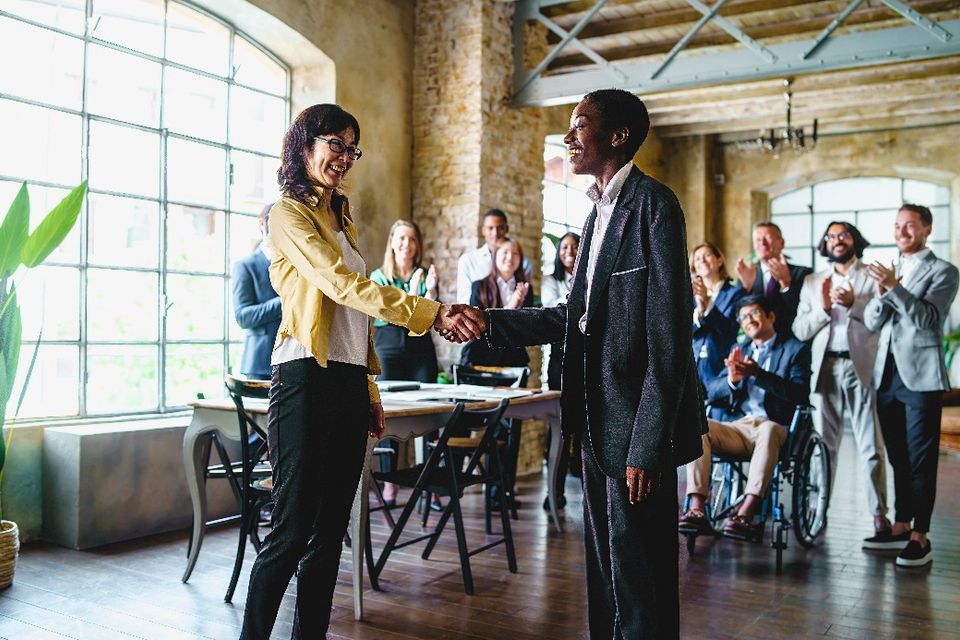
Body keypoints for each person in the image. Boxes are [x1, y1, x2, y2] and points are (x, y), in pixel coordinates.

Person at [239, 103, 483, 640]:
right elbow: (341, 285)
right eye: (336, 144)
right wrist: (430, 312)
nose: (344, 157)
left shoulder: (341, 215)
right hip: (303, 378)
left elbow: (354, 320)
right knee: (291, 530)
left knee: (330, 536)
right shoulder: (288, 215)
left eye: (352, 149)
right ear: (305, 143)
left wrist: (367, 385)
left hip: (347, 383)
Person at [481, 89, 705, 639]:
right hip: (596, 423)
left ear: (619, 136)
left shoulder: (655, 206)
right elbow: (571, 316)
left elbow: (669, 339)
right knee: (605, 573)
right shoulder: (595, 211)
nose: (569, 136)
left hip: (635, 431)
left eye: (580, 125)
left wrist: (647, 445)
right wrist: (488, 321)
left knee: (640, 575)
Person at [864, 203, 959, 567]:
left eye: (910, 225)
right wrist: (883, 290)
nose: (901, 232)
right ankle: (900, 525)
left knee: (921, 459)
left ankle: (921, 533)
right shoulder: (893, 268)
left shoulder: (945, 271)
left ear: (926, 229)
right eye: (897, 225)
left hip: (922, 378)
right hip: (886, 376)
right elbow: (874, 321)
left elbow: (927, 320)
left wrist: (893, 288)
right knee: (898, 456)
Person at [680, 295, 811, 539]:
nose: (747, 320)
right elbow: (711, 389)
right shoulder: (739, 350)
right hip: (740, 426)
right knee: (700, 426)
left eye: (753, 314)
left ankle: (745, 513)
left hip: (777, 427)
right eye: (742, 318)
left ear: (770, 316)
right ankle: (697, 509)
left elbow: (799, 393)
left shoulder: (796, 350)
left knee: (769, 429)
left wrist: (758, 374)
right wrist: (732, 379)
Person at [793, 222, 889, 543]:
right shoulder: (811, 282)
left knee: (870, 446)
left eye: (843, 235)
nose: (837, 240)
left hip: (860, 366)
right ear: (825, 243)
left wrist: (853, 305)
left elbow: (880, 318)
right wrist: (822, 309)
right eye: (831, 236)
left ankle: (879, 516)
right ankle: (820, 513)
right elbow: (799, 330)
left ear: (854, 240)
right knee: (824, 446)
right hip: (825, 369)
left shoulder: (872, 276)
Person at [369, 219, 441, 508]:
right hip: (389, 347)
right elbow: (387, 314)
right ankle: (389, 484)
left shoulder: (425, 276)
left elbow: (431, 315)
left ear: (417, 245)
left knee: (432, 413)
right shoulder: (378, 275)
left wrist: (431, 292)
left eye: (412, 239)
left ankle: (431, 482)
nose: (406, 244)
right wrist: (414, 298)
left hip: (421, 348)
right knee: (389, 414)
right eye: (401, 238)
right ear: (392, 242)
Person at [541, 232, 581, 508]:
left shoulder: (590, 276)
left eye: (574, 246)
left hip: (586, 356)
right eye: (564, 247)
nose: (569, 250)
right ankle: (554, 491)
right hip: (559, 357)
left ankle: (582, 475)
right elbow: (556, 312)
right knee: (558, 423)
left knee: (583, 422)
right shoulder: (549, 281)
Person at [460, 236, 534, 368]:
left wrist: (521, 306)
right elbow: (477, 324)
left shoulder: (526, 288)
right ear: (495, 256)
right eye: (505, 252)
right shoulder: (479, 286)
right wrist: (512, 305)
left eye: (515, 253)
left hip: (514, 359)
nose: (510, 257)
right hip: (481, 357)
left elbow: (528, 329)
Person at [690, 242, 744, 411]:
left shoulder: (735, 293)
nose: (702, 261)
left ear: (719, 261)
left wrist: (707, 305)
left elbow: (729, 330)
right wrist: (699, 311)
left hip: (719, 363)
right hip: (694, 366)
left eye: (707, 255)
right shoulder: (689, 295)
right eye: (697, 258)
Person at [734, 221, 812, 338]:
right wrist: (748, 288)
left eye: (768, 238)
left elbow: (804, 312)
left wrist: (786, 284)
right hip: (758, 342)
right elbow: (739, 316)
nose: (762, 243)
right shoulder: (747, 275)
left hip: (792, 340)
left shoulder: (802, 274)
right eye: (758, 240)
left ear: (782, 243)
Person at [232, 203, 281, 380]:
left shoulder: (296, 265)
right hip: (260, 364)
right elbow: (243, 317)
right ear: (262, 224)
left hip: (296, 362)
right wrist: (284, 301)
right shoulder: (245, 266)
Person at [456, 208, 533, 304]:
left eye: (500, 228)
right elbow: (464, 300)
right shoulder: (468, 260)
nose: (495, 233)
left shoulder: (523, 263)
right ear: (483, 230)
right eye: (490, 228)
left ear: (507, 229)